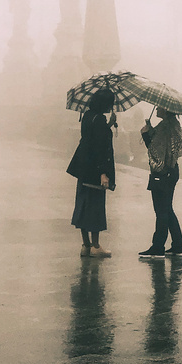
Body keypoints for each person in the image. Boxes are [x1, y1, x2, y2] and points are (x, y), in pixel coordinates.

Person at [66, 88, 117, 258]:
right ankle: (96, 245)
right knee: (95, 207)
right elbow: (100, 148)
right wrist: (103, 173)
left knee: (83, 205)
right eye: (111, 103)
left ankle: (86, 245)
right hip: (96, 170)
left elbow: (92, 137)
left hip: (83, 168)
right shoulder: (100, 119)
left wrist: (108, 125)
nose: (111, 106)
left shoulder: (88, 116)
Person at [138, 107, 182, 259]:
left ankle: (158, 247)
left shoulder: (165, 127)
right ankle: (178, 245)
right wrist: (151, 130)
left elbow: (156, 152)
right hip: (172, 171)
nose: (157, 108)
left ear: (166, 110)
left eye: (160, 106)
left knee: (161, 210)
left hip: (162, 173)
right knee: (167, 209)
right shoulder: (174, 125)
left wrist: (146, 135)